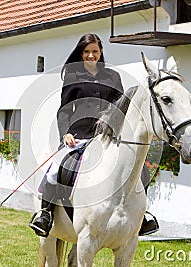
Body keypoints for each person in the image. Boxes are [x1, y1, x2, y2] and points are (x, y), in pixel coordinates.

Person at [29, 33, 159, 237]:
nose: (91, 55)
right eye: (87, 52)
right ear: (81, 53)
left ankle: (142, 216)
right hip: (78, 137)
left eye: (95, 52)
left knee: (141, 170)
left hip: (107, 138)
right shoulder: (73, 76)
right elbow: (64, 110)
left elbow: (121, 108)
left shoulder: (113, 77)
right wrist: (66, 133)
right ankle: (46, 214)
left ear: (101, 53)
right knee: (55, 170)